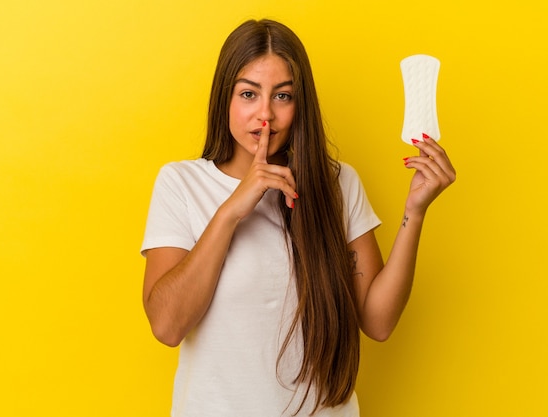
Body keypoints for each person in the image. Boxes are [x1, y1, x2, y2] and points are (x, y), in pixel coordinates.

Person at [141, 18, 455, 417]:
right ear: (225, 97)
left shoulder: (337, 185)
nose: (265, 115)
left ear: (300, 103)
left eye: (283, 96)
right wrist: (234, 208)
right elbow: (167, 326)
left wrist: (415, 211)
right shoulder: (181, 184)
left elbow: (378, 322)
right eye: (249, 94)